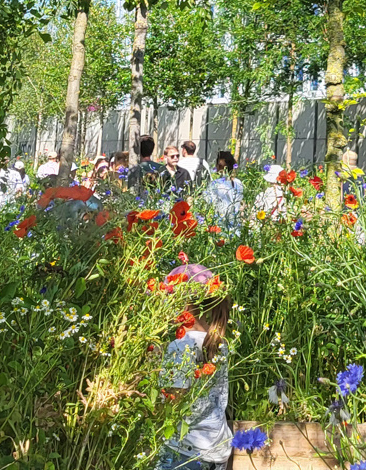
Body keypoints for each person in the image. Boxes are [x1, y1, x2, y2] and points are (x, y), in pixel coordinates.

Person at [154, 268, 234, 469]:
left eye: (168, 298)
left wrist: (155, 371)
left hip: (186, 451)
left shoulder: (181, 345)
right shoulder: (217, 342)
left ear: (183, 302)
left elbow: (173, 403)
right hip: (215, 448)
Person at [201, 151, 244, 230]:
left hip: (220, 224)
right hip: (236, 223)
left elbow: (208, 203)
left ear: (219, 166)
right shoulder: (238, 183)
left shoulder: (215, 184)